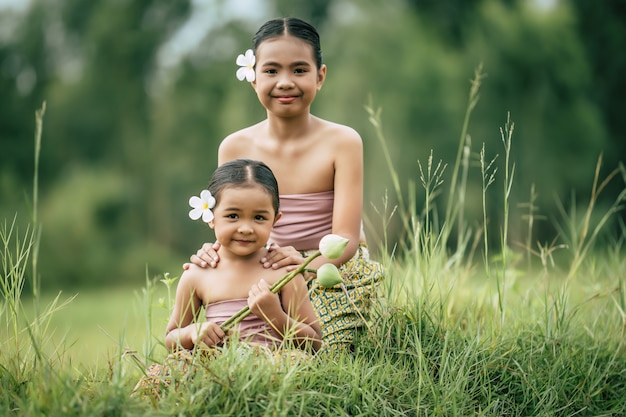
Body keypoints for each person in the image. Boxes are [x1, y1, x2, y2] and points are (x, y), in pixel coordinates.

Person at [186, 17, 384, 355]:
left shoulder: (343, 142)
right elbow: (231, 217)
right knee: (235, 345)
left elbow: (346, 239)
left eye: (299, 70)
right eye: (272, 71)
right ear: (253, 77)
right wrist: (214, 252)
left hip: (329, 269)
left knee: (321, 349)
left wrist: (301, 273)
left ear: (320, 76)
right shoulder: (233, 147)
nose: (285, 82)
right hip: (262, 266)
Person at [134, 158, 321, 399]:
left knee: (300, 365)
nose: (245, 228)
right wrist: (193, 332)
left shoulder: (283, 272)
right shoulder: (197, 274)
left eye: (259, 218)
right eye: (233, 216)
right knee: (167, 373)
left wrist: (275, 316)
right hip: (216, 368)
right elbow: (172, 338)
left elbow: (315, 343)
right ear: (211, 217)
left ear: (276, 220)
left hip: (273, 363)